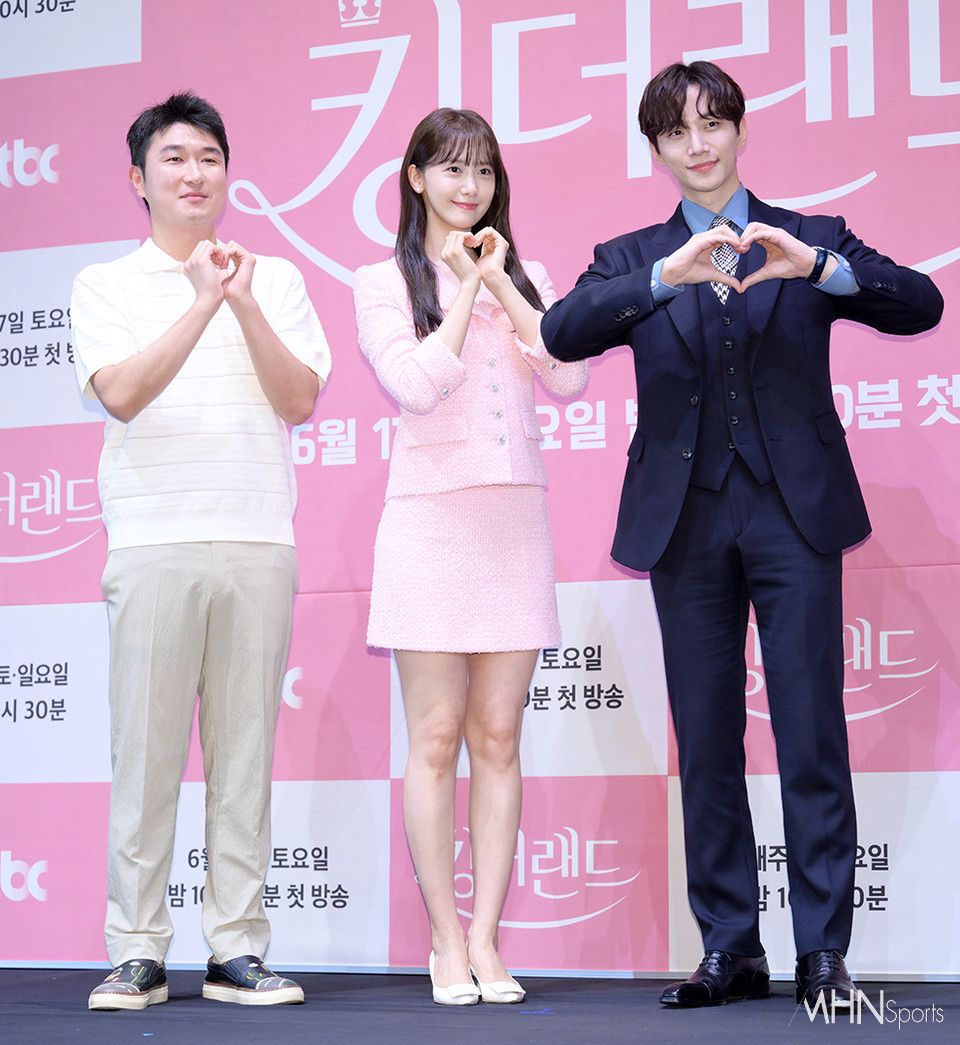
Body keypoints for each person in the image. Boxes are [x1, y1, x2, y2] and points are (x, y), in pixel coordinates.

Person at [541, 62, 943, 1009]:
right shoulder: (632, 254)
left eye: (714, 123)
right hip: (684, 520)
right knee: (707, 737)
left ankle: (823, 951)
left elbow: (921, 302)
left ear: (741, 130)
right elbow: (562, 332)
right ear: (655, 149)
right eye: (677, 131)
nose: (699, 145)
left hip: (793, 514)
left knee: (811, 730)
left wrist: (822, 270)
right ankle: (731, 945)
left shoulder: (810, 235)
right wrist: (661, 279)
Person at [72, 92, 331, 1011]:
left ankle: (237, 948)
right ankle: (137, 948)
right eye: (175, 159)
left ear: (229, 173)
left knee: (244, 757)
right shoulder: (105, 283)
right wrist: (200, 301)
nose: (195, 174)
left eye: (210, 158)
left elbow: (299, 400)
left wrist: (242, 300)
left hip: (258, 537)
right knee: (145, 756)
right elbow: (121, 392)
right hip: (153, 540)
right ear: (138, 179)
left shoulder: (277, 279)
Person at [353, 108, 587, 1006]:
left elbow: (568, 373)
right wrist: (459, 292)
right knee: (436, 737)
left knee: (498, 736)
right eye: (450, 169)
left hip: (514, 524)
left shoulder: (526, 274)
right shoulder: (381, 282)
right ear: (415, 177)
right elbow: (414, 385)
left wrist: (500, 283)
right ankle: (444, 940)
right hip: (429, 527)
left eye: (483, 170)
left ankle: (488, 938)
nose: (469, 186)